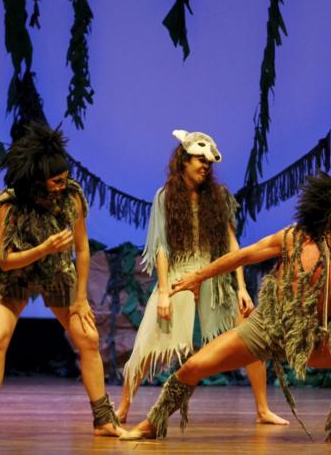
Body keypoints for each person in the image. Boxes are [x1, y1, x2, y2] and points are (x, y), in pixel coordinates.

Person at [120, 166, 331, 444]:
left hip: (315, 339)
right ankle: (153, 422)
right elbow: (244, 255)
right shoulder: (293, 239)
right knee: (194, 367)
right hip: (266, 329)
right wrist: (199, 276)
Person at [116, 130, 286, 426]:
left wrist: (241, 288)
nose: (205, 166)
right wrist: (165, 292)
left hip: (214, 275)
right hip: (179, 274)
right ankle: (123, 409)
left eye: (208, 162)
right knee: (148, 342)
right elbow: (161, 248)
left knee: (250, 335)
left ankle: (262, 409)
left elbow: (232, 245)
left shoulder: (218, 197)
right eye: (199, 160)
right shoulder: (165, 197)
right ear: (183, 161)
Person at [0, 123, 123, 440]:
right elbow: (5, 260)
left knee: (88, 338)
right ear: (38, 180)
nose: (63, 185)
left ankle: (104, 420)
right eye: (56, 181)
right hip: (16, 274)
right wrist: (44, 248)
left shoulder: (71, 198)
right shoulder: (9, 204)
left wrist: (80, 299)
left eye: (65, 178)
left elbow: (82, 249)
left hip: (56, 271)